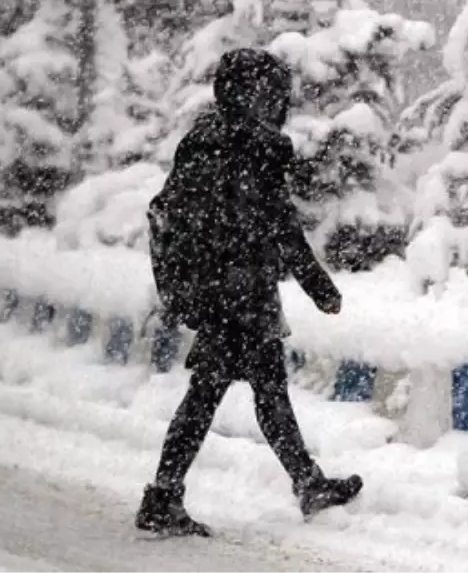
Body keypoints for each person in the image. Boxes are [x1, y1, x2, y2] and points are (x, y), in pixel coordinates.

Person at [136, 48, 362, 537]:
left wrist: (189, 285)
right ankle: (164, 494)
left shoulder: (203, 141)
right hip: (238, 295)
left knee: (255, 390)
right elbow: (280, 224)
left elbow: (178, 213)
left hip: (221, 292)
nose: (276, 102)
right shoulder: (251, 148)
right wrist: (319, 286)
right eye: (270, 92)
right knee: (223, 394)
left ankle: (304, 483)